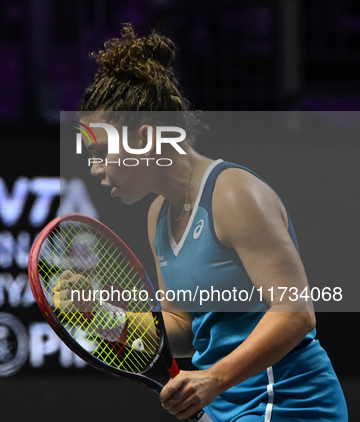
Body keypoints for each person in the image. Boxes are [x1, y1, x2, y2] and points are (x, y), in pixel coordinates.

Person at [71, 24, 348, 421]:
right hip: (228, 408)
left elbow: (297, 313)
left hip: (288, 403)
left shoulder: (233, 195)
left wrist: (213, 379)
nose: (95, 168)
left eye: (101, 153)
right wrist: (101, 314)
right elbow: (182, 326)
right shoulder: (159, 216)